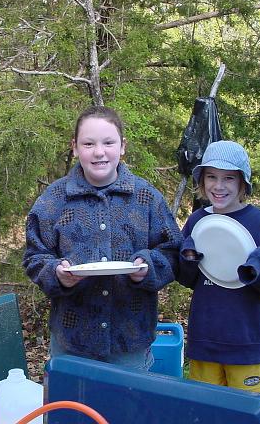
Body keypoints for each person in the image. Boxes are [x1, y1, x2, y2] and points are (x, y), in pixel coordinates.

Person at [23, 106, 182, 370]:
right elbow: (34, 257)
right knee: (73, 411)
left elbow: (173, 251)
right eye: (88, 144)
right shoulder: (54, 200)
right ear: (75, 147)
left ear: (122, 147)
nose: (99, 152)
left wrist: (148, 267)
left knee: (127, 411)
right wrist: (56, 273)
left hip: (130, 341)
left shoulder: (146, 197)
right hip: (72, 342)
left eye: (109, 142)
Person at [178, 140, 260, 395]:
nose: (218, 186)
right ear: (202, 180)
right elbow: (186, 278)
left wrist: (259, 266)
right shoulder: (198, 221)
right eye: (211, 176)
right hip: (205, 337)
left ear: (243, 182)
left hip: (247, 340)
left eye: (229, 178)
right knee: (205, 408)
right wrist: (187, 258)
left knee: (247, 411)